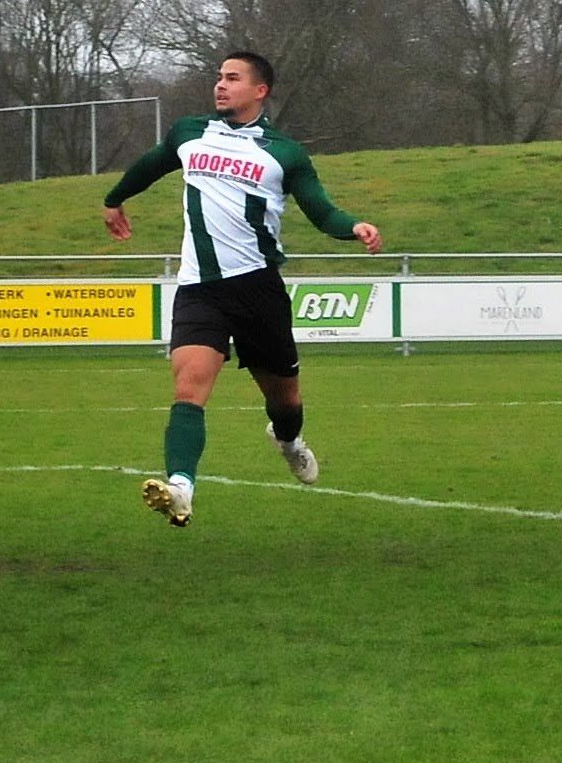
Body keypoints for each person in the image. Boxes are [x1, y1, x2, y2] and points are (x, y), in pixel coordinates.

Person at [101, 52, 381, 528]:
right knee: (189, 389)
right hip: (199, 290)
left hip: (258, 291)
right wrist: (115, 199)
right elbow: (151, 163)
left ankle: (289, 442)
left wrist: (353, 226)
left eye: (233, 78)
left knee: (285, 401)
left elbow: (319, 208)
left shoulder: (285, 153)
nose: (220, 85)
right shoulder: (190, 132)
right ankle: (182, 488)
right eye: (218, 78)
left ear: (260, 90)